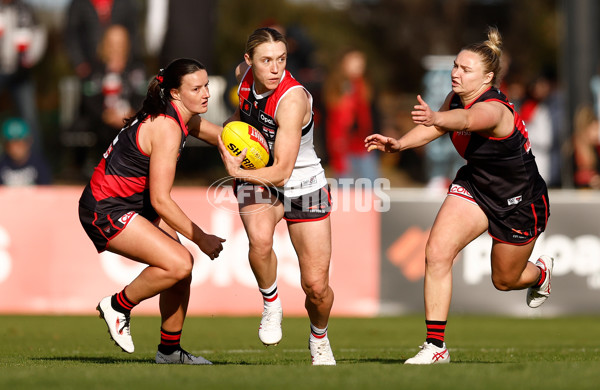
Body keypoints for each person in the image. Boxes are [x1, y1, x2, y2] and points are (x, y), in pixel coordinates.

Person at [365, 27, 553, 365]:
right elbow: (437, 127)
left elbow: (466, 119)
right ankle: (436, 348)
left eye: (466, 69)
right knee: (436, 253)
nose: (456, 72)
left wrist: (438, 117)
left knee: (504, 279)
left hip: (519, 201)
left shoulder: (494, 109)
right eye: (455, 65)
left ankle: (540, 274)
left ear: (488, 78)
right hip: (476, 185)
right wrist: (399, 144)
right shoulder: (454, 99)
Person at [78, 58, 226, 364]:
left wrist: (266, 137)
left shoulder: (181, 117)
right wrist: (202, 238)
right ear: (175, 93)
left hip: (133, 204)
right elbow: (161, 201)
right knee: (180, 262)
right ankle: (118, 306)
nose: (206, 93)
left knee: (180, 274)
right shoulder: (167, 127)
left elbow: (225, 136)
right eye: (196, 88)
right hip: (106, 208)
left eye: (207, 85)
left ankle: (169, 352)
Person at [217, 27, 336, 366]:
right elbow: (240, 119)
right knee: (260, 242)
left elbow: (283, 171)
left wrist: (237, 171)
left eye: (281, 60)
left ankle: (319, 337)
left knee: (316, 287)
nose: (275, 68)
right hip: (260, 177)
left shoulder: (292, 99)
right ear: (248, 61)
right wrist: (229, 137)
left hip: (302, 183)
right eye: (266, 60)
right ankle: (271, 303)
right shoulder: (241, 79)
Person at [323, 48, 379, 182]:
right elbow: (335, 120)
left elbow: (370, 115)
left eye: (361, 62)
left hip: (364, 145)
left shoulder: (364, 85)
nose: (358, 66)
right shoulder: (336, 87)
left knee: (370, 186)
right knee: (346, 188)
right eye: (354, 62)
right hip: (343, 147)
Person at [0, 0, 47, 153]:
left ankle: (35, 164)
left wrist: (30, 59)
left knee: (29, 118)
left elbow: (39, 34)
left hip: (22, 74)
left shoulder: (26, 9)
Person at [0, 117, 51, 185]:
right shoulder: (2, 163)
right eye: (12, 143)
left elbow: (47, 188)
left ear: (29, 141)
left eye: (19, 143)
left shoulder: (39, 163)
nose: (16, 148)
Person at [572, 105, 600, 189]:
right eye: (594, 129)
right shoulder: (573, 149)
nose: (597, 133)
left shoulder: (596, 149)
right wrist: (589, 179)